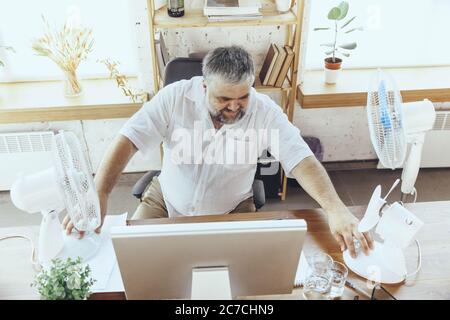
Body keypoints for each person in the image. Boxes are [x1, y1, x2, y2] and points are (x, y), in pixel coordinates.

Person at [63, 46, 373, 258]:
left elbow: (301, 159)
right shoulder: (174, 98)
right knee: (130, 259)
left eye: (243, 97)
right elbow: (128, 138)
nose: (235, 107)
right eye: (224, 98)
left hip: (233, 206)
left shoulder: (265, 111)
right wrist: (99, 194)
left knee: (241, 276)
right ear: (203, 86)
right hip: (166, 198)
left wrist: (335, 209)